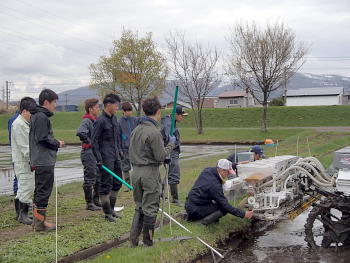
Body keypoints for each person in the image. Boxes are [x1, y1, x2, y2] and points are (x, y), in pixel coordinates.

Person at [128, 95, 176, 247]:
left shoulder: (136, 130)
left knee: (139, 207)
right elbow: (161, 156)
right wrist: (171, 144)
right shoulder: (154, 132)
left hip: (135, 172)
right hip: (149, 173)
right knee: (150, 208)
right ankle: (148, 242)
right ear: (159, 111)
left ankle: (133, 242)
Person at [29, 89, 65, 231]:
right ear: (46, 102)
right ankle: (40, 224)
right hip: (44, 160)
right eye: (54, 102)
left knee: (40, 190)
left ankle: (37, 222)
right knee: (43, 191)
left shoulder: (36, 116)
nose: (55, 105)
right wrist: (57, 143)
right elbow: (43, 138)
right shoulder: (41, 117)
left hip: (40, 160)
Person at [185, 159, 254, 225]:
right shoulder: (214, 185)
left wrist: (236, 164)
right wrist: (243, 214)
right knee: (223, 208)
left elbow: (225, 167)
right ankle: (202, 223)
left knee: (217, 205)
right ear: (221, 170)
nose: (229, 174)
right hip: (196, 208)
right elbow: (225, 205)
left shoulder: (208, 170)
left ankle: (191, 217)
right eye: (228, 172)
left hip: (189, 204)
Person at [91, 93, 123, 223]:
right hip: (105, 157)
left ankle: (112, 209)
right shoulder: (100, 121)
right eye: (116, 106)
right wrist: (98, 158)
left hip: (115, 155)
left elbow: (117, 137)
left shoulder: (114, 119)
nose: (117, 108)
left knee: (117, 182)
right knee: (106, 184)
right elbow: (94, 141)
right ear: (108, 105)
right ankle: (107, 213)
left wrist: (120, 151)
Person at [11, 97, 36, 225]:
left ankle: (20, 213)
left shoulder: (24, 123)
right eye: (31, 112)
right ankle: (23, 214)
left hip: (24, 161)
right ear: (24, 111)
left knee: (22, 188)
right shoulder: (19, 124)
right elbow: (25, 146)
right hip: (23, 161)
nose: (32, 116)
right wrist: (33, 161)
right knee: (27, 186)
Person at [76, 98, 101, 211]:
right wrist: (88, 142)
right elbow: (80, 132)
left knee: (97, 177)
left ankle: (96, 200)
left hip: (95, 153)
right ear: (90, 109)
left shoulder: (95, 121)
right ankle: (89, 203)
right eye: (96, 107)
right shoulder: (86, 121)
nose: (98, 109)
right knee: (90, 177)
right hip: (88, 153)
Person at [160, 105, 188, 207]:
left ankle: (160, 193)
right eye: (182, 115)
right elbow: (169, 139)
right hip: (170, 152)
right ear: (176, 115)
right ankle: (175, 199)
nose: (182, 118)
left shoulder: (171, 123)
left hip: (172, 151)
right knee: (173, 174)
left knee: (169, 174)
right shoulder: (168, 125)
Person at [117, 101, 138, 192]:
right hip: (125, 148)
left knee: (136, 166)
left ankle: (136, 183)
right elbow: (117, 137)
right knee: (125, 167)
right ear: (123, 111)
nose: (130, 113)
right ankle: (127, 185)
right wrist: (120, 149)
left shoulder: (134, 120)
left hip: (135, 148)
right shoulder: (119, 122)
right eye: (128, 111)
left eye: (131, 111)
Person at [8, 110, 20, 220]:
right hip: (18, 154)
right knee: (18, 177)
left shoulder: (13, 118)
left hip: (15, 152)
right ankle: (20, 206)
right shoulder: (16, 120)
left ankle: (21, 205)